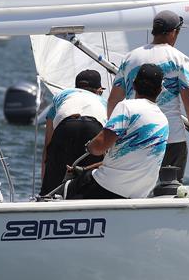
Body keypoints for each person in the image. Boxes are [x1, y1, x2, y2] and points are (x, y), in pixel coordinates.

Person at [107, 10, 189, 181]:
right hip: (170, 138)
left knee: (134, 189)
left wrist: (114, 134)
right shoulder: (180, 59)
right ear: (174, 32)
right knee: (168, 190)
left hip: (134, 136)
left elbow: (113, 100)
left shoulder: (130, 58)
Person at [66, 63, 169, 199]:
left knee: (67, 187)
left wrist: (89, 146)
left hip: (107, 188)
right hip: (139, 195)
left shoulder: (127, 107)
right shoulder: (163, 121)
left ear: (133, 84)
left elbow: (98, 147)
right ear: (160, 89)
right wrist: (86, 169)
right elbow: (130, 161)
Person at [39, 69, 107, 196]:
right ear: (99, 91)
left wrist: (46, 182)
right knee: (91, 185)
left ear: (77, 87)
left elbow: (48, 144)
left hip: (66, 126)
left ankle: (47, 198)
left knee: (52, 188)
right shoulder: (104, 103)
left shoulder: (62, 95)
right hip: (94, 128)